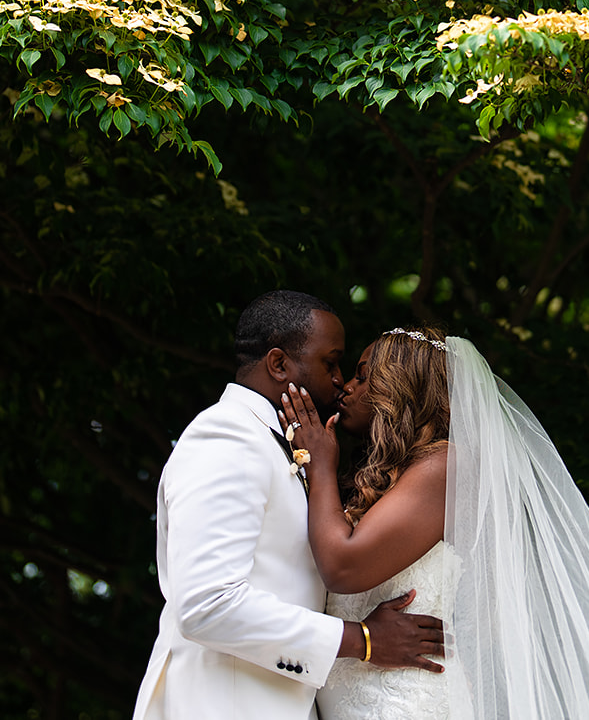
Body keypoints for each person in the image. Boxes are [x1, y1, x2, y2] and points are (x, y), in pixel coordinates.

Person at [279, 326, 589, 720]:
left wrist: (320, 466)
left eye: (364, 377)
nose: (346, 388)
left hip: (401, 703)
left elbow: (342, 566)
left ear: (400, 389)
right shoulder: (399, 476)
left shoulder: (443, 467)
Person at [131, 292, 445, 720]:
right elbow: (207, 604)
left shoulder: (291, 449)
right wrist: (363, 640)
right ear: (279, 365)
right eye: (330, 363)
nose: (339, 381)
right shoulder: (227, 436)